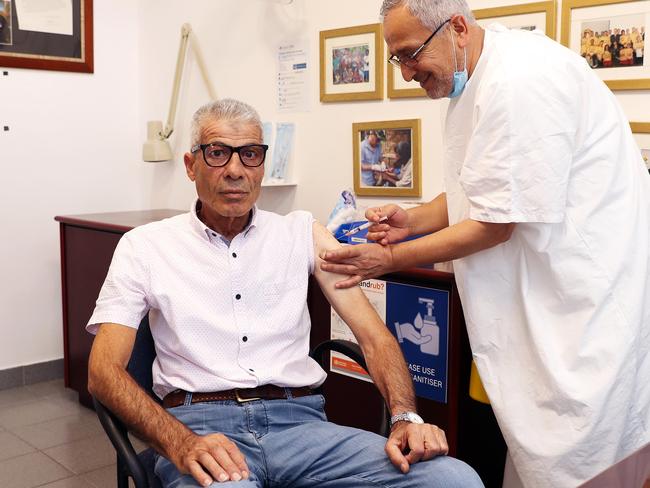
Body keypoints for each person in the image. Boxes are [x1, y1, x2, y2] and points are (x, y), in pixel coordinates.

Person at [320, 1, 650, 487]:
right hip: (538, 303)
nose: (407, 72)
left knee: (585, 462)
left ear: (456, 27)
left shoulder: (519, 81)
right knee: (535, 460)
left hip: (580, 309)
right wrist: (410, 219)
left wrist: (388, 257)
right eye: (397, 59)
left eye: (411, 55)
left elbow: (497, 223)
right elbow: (477, 193)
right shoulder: (474, 78)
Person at [86, 99, 483, 488]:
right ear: (191, 166)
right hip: (201, 428)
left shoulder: (302, 233)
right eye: (218, 153)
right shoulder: (145, 246)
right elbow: (103, 372)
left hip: (301, 425)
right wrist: (179, 442)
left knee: (453, 478)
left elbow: (375, 337)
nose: (235, 171)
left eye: (251, 155)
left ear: (263, 165)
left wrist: (404, 417)